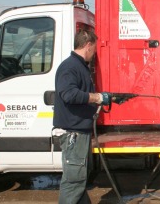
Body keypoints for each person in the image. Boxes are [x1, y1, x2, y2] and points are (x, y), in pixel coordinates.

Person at [53, 29, 110, 204]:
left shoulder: (78, 66)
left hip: (78, 133)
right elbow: (69, 94)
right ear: (88, 45)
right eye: (94, 49)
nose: (94, 54)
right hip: (73, 134)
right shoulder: (70, 67)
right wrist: (97, 97)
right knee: (73, 183)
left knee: (78, 182)